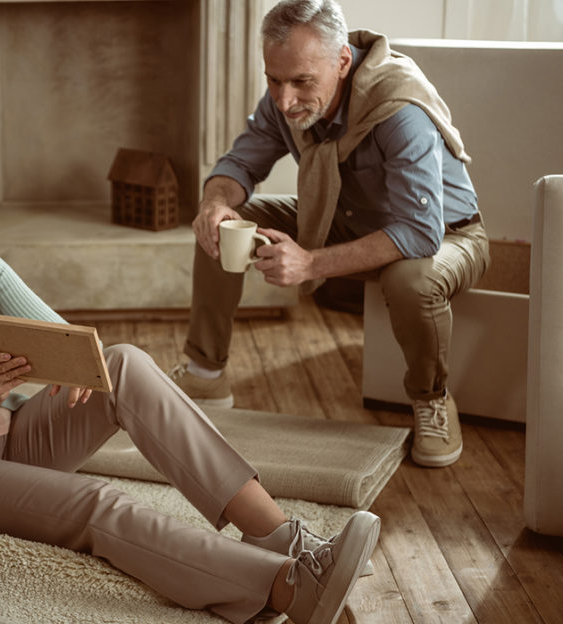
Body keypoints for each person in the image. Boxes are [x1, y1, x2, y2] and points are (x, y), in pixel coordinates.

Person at [0, 127, 379, 624]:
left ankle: (281, 537)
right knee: (98, 502)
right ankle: (287, 589)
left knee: (123, 363)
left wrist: (76, 368)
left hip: (4, 438)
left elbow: (64, 343)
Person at [170, 0, 490, 469]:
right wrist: (215, 203)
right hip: (349, 219)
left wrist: (311, 263)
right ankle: (206, 372)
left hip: (448, 234)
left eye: (301, 81)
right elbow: (241, 164)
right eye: (274, 80)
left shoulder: (399, 110)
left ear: (342, 61)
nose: (284, 99)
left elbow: (419, 233)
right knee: (229, 224)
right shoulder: (288, 96)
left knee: (411, 281)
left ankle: (433, 400)